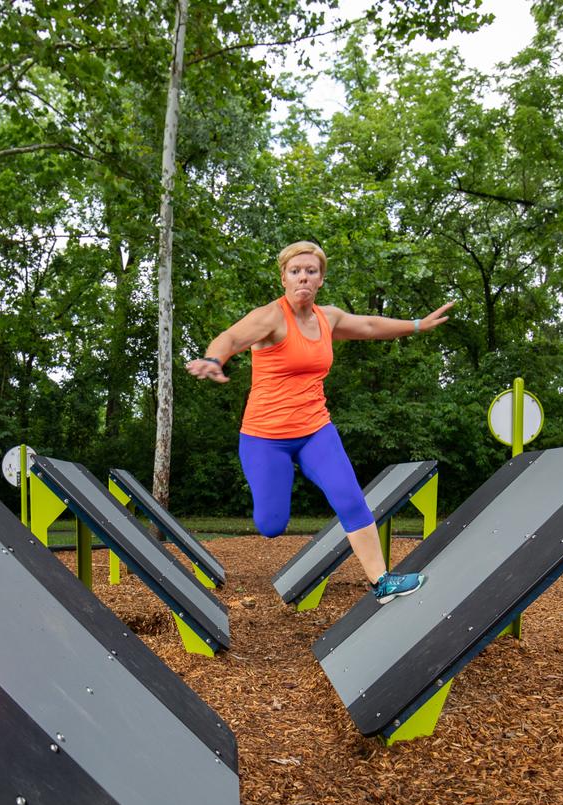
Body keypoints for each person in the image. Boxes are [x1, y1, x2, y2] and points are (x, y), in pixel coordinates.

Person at [186, 241, 453, 603]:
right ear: (284, 278)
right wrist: (214, 359)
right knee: (271, 524)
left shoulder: (328, 319)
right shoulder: (270, 317)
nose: (303, 278)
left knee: (350, 497)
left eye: (311, 271)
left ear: (321, 279)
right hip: (265, 437)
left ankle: (382, 582)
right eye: (295, 271)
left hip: (315, 430)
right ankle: (278, 476)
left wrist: (418, 324)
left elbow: (371, 325)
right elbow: (231, 337)